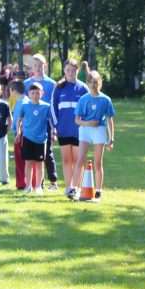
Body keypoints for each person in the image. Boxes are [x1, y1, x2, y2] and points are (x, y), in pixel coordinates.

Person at [70, 70, 115, 200]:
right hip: (85, 130)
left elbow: (109, 119)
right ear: (87, 83)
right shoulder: (84, 99)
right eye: (91, 82)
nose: (93, 85)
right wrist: (88, 123)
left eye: (95, 82)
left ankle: (98, 190)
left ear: (99, 83)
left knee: (97, 162)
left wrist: (111, 138)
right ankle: (74, 188)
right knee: (80, 159)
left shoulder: (106, 99)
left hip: (99, 130)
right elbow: (77, 120)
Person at [51, 58, 88, 197]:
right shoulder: (58, 88)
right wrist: (55, 126)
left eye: (73, 70)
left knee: (78, 160)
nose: (71, 73)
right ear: (64, 71)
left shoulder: (83, 88)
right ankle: (68, 187)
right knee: (67, 160)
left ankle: (76, 188)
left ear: (77, 71)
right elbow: (53, 109)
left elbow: (88, 109)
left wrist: (86, 125)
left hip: (80, 131)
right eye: (68, 70)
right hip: (63, 130)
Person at [25, 53, 58, 190]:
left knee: (47, 152)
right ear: (32, 67)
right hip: (32, 125)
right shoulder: (27, 84)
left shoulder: (51, 84)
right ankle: (38, 183)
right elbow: (24, 105)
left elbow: (54, 106)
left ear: (45, 66)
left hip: (46, 123)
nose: (38, 68)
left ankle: (53, 181)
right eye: (35, 65)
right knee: (31, 156)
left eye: (40, 65)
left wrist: (54, 128)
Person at [16, 82, 56, 195]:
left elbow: (51, 121)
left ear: (42, 93)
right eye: (33, 93)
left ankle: (38, 186)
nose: (35, 95)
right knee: (28, 163)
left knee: (39, 164)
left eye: (37, 93)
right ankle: (28, 186)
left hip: (41, 139)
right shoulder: (24, 105)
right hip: (28, 138)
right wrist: (18, 132)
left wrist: (53, 132)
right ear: (29, 93)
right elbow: (19, 119)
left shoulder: (46, 106)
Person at [8, 79, 28, 190]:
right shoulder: (22, 101)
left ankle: (22, 183)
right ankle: (26, 183)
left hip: (21, 134)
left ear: (14, 91)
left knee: (20, 160)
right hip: (23, 133)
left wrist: (18, 133)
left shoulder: (22, 103)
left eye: (10, 91)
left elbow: (22, 120)